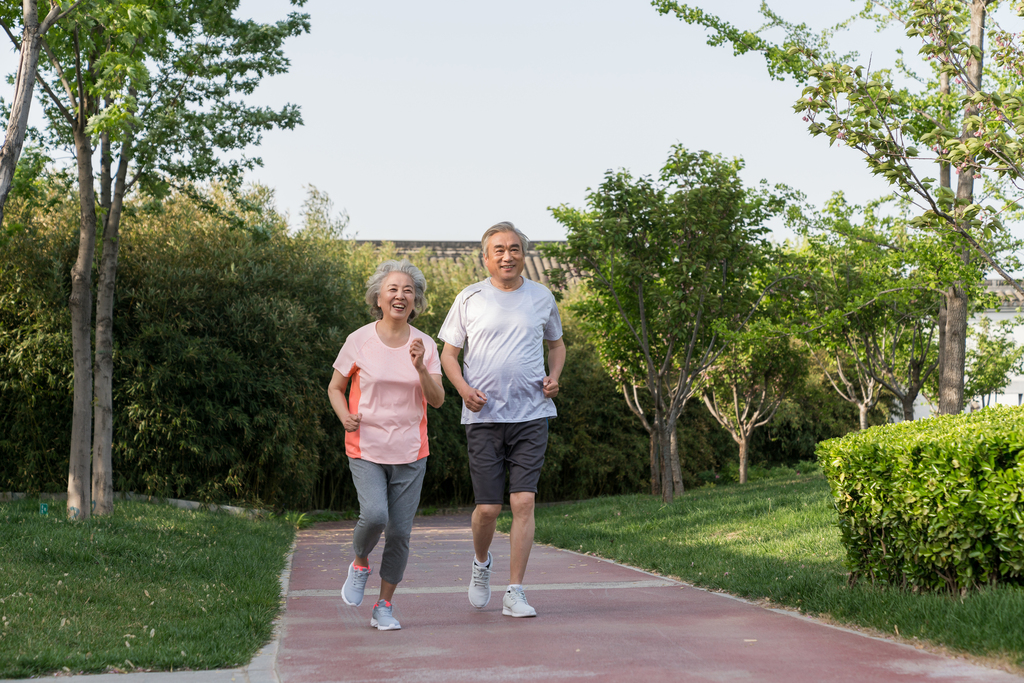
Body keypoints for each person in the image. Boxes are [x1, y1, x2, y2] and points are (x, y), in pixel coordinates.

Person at [438, 221, 565, 618]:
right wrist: (462, 389)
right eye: (499, 250)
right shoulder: (470, 297)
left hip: (531, 414)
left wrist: (554, 377)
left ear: (522, 254)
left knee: (523, 501)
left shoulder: (541, 297)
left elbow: (557, 345)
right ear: (486, 257)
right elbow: (448, 355)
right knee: (489, 509)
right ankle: (480, 564)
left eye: (514, 248)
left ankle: (515, 591)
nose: (507, 255)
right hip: (484, 418)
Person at [327, 259, 444, 631]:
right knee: (375, 516)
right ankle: (360, 561)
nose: (400, 295)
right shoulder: (358, 340)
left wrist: (421, 368)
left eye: (408, 290)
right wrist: (344, 415)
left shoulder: (424, 344)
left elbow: (438, 399)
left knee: (399, 533)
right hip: (366, 447)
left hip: (411, 452)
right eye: (393, 288)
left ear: (416, 301)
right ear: (378, 297)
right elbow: (335, 388)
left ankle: (384, 606)